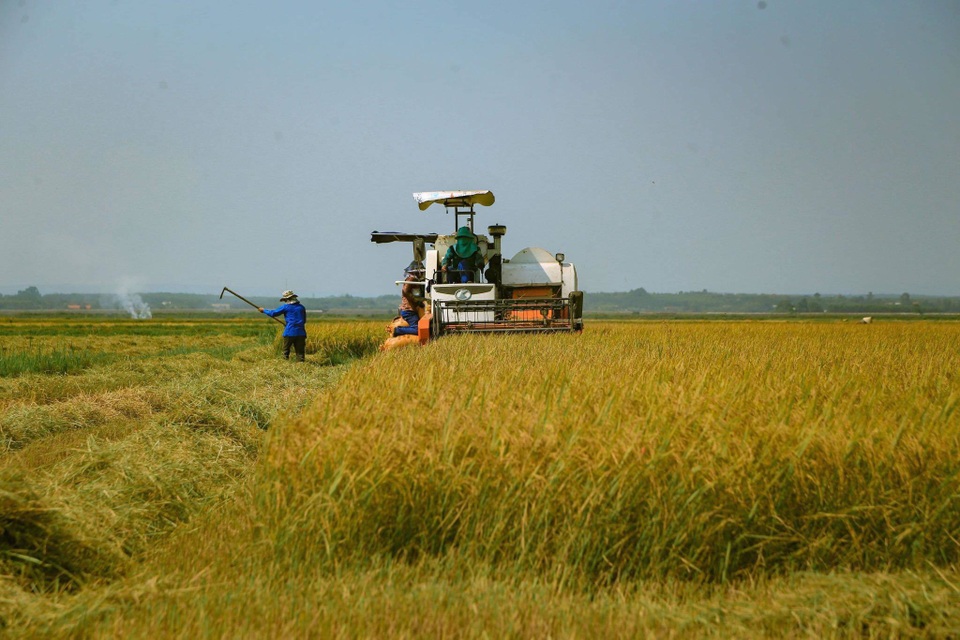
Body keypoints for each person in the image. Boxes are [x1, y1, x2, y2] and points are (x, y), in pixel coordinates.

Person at [259, 290, 307, 361]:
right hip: (301, 333)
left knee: (285, 351)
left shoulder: (286, 307)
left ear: (287, 299)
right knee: (300, 353)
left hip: (289, 332)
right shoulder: (301, 307)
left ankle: (284, 364)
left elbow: (273, 313)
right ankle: (301, 365)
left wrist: (263, 310)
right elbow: (304, 320)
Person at [394, 261, 425, 337]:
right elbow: (405, 291)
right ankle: (398, 330)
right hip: (409, 310)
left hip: (409, 309)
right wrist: (416, 300)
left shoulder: (412, 279)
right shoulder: (411, 280)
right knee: (417, 329)